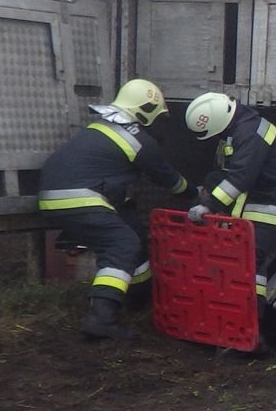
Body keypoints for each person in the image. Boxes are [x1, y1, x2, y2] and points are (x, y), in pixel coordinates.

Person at [39, 79, 195, 339]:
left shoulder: (102, 127)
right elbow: (170, 180)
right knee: (122, 245)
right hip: (82, 198)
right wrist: (197, 194)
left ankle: (139, 300)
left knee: (131, 227)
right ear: (145, 110)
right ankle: (101, 318)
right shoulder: (137, 140)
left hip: (60, 197)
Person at [184, 92, 276, 344]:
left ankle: (252, 330)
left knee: (248, 259)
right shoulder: (244, 128)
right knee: (241, 257)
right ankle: (241, 326)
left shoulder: (250, 133)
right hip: (266, 202)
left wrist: (208, 205)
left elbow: (240, 177)